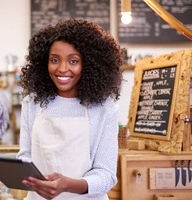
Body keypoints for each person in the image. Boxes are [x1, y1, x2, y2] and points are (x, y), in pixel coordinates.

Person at [16, 19, 124, 199]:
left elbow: (106, 175)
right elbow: (27, 156)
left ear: (89, 65)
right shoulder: (32, 103)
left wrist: (68, 185)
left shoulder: (104, 108)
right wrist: (6, 168)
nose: (62, 69)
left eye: (73, 61)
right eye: (54, 60)